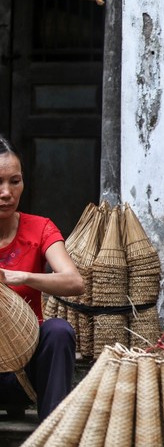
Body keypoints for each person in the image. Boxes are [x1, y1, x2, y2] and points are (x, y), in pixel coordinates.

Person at [0, 134, 85, 421]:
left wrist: (20, 276)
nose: (7, 192)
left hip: (26, 373)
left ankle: (53, 434)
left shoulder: (39, 228)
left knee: (59, 330)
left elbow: (74, 282)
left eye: (15, 180)